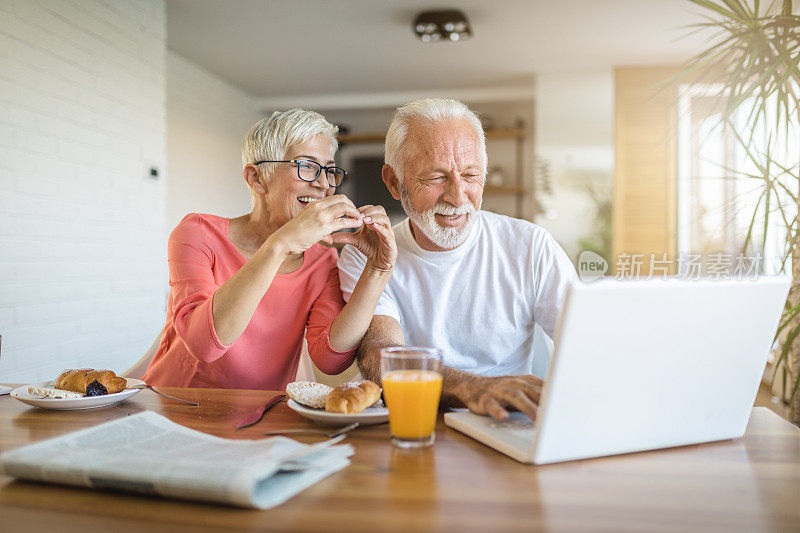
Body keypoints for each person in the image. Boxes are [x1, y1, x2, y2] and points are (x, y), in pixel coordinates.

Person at [337, 98, 576, 420]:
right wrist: (471, 387)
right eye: (436, 178)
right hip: (408, 422)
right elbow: (381, 358)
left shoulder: (531, 246)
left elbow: (586, 345)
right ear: (394, 182)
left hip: (504, 421)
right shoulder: (366, 254)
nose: (458, 196)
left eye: (470, 175)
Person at [144, 109, 396, 389]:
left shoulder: (322, 258)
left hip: (263, 417)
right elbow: (205, 346)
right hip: (174, 407)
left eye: (329, 170)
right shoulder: (197, 234)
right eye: (307, 165)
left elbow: (331, 360)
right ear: (256, 178)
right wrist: (280, 244)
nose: (324, 184)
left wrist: (378, 270)